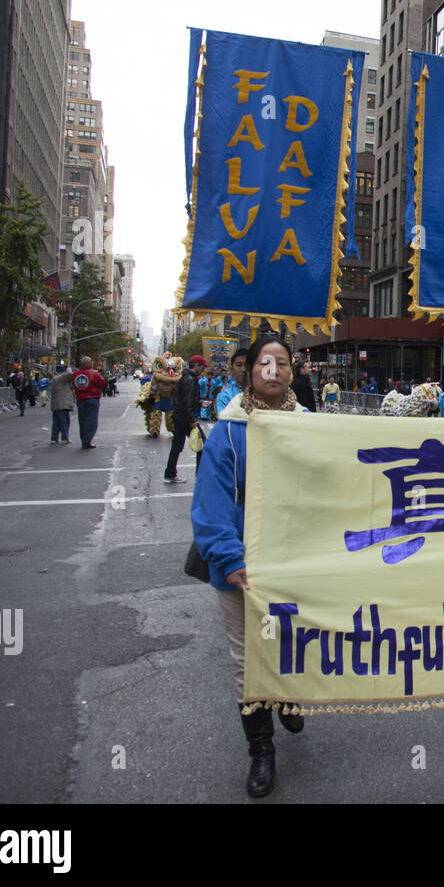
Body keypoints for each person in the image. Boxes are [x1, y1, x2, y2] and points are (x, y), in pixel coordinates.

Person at [191, 335, 306, 799]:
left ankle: (290, 694)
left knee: (293, 643)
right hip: (242, 569)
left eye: (281, 362)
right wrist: (230, 557)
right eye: (265, 362)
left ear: (292, 371)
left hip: (296, 564)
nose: (273, 369)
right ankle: (262, 751)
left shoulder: (310, 427)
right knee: (248, 662)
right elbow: (211, 503)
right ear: (249, 371)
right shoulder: (227, 431)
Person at [165, 354, 206, 484]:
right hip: (185, 418)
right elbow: (186, 402)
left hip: (180, 417)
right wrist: (192, 420)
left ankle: (170, 473)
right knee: (203, 444)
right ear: (196, 366)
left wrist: (199, 404)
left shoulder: (187, 377)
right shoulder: (189, 379)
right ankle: (200, 475)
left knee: (177, 446)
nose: (203, 370)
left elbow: (185, 399)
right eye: (202, 367)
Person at [71, 356, 107, 449]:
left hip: (80, 399)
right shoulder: (94, 373)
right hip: (92, 398)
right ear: (89, 364)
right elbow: (102, 383)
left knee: (82, 420)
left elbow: (74, 385)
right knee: (91, 420)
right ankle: (87, 441)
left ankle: (84, 439)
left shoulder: (76, 374)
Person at [216, 348, 248, 416]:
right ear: (231, 370)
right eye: (239, 365)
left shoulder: (262, 394)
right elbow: (225, 421)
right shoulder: (224, 396)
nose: (243, 369)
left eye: (247, 365)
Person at [49, 362, 74, 444]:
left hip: (56, 405)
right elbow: (69, 374)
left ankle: (54, 438)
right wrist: (69, 368)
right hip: (62, 404)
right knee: (64, 421)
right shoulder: (60, 379)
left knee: (56, 422)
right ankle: (65, 437)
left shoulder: (54, 380)